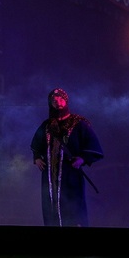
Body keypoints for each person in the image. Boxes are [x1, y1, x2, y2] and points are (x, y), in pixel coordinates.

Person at [30, 88, 103, 227]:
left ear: (66, 100)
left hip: (70, 176)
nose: (57, 101)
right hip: (50, 178)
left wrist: (82, 159)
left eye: (60, 98)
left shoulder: (79, 123)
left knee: (73, 210)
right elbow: (36, 146)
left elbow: (93, 147)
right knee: (51, 209)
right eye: (53, 100)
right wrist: (37, 158)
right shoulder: (46, 126)